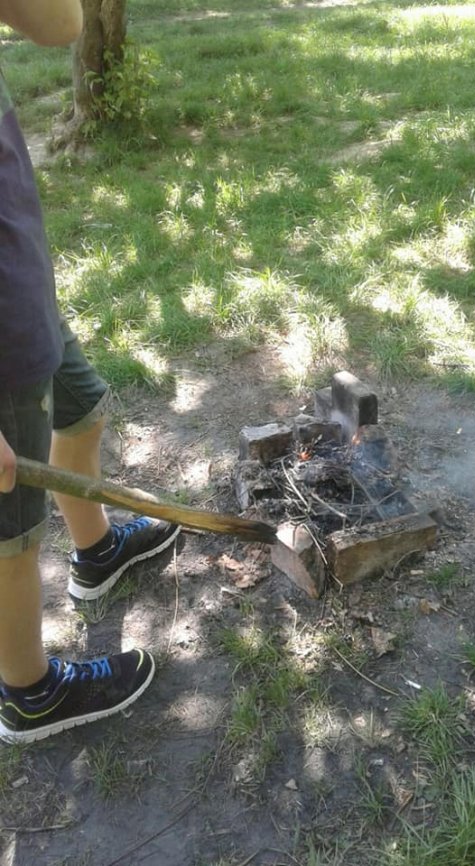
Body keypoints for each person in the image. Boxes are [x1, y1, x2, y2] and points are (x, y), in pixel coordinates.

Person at [0, 0, 180, 744]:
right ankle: (28, 692)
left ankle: (97, 549)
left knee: (83, 409)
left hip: (14, 275)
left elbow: (59, 23)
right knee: (9, 530)